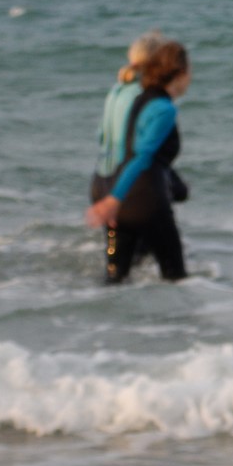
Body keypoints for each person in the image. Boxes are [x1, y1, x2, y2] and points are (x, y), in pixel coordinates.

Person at [85, 41, 192, 283]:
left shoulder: (122, 92)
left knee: (115, 274)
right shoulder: (157, 104)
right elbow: (142, 154)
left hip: (105, 183)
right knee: (175, 276)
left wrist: (113, 194)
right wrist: (115, 198)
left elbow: (106, 139)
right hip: (139, 194)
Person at [90, 30, 164, 203]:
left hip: (100, 179)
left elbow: (101, 135)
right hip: (124, 184)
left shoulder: (116, 90)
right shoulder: (143, 95)